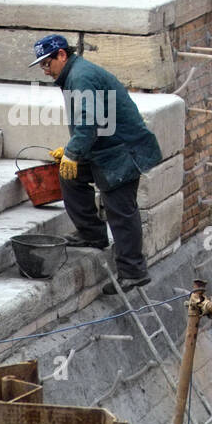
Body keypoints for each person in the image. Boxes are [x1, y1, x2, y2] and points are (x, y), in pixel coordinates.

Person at [29, 34, 163, 295]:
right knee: (71, 177)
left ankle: (134, 272)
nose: (45, 71)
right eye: (42, 65)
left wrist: (73, 152)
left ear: (62, 55)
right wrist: (70, 153)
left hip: (123, 151)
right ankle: (92, 233)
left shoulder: (81, 78)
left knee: (120, 210)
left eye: (48, 63)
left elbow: (88, 122)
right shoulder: (74, 75)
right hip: (105, 150)